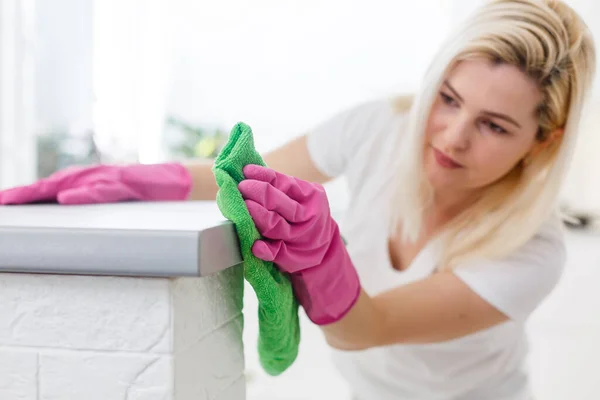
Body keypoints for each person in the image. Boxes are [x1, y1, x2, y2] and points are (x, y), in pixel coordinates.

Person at [0, 0, 595, 398]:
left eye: (494, 126)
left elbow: (365, 327)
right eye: (447, 97)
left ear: (544, 141)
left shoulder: (533, 252)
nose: (452, 135)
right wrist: (136, 181)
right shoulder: (377, 128)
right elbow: (242, 176)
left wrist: (321, 254)